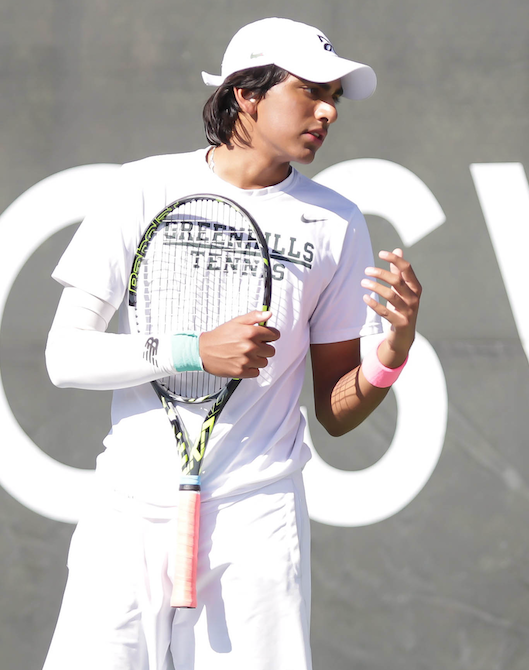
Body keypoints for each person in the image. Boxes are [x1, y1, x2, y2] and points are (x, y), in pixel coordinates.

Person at [41, 17, 420, 670]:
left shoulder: (336, 222)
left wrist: (390, 356)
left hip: (259, 518)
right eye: (310, 91)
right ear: (247, 93)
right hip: (126, 511)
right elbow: (64, 356)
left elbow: (335, 410)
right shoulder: (142, 188)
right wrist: (193, 351)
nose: (328, 110)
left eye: (335, 96)